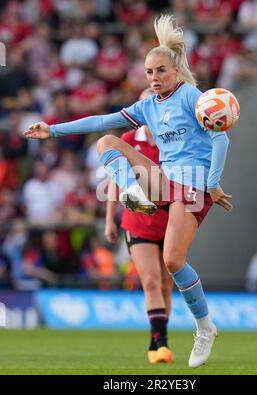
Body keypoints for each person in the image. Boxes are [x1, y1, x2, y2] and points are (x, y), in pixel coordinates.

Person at [24, 14, 232, 368]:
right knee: (108, 141)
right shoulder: (148, 106)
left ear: (176, 70)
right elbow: (102, 121)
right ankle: (133, 193)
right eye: (149, 72)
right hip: (166, 181)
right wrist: (54, 130)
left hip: (194, 184)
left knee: (172, 261)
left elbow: (221, 137)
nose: (154, 78)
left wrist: (212, 183)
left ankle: (205, 327)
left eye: (161, 71)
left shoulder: (190, 97)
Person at [105, 87, 174, 364]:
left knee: (167, 285)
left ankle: (155, 339)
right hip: (139, 222)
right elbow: (114, 180)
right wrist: (110, 218)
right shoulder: (128, 140)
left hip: (170, 222)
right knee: (151, 281)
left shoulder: (174, 140)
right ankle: (161, 344)